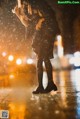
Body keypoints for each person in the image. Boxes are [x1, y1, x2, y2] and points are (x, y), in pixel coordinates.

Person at [13, 0, 61, 94]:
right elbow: (29, 24)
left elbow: (48, 16)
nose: (23, 5)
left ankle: (43, 86)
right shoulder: (32, 7)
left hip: (46, 33)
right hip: (42, 34)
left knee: (40, 60)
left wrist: (40, 21)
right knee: (44, 59)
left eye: (23, 3)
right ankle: (49, 84)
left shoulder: (38, 4)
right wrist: (19, 15)